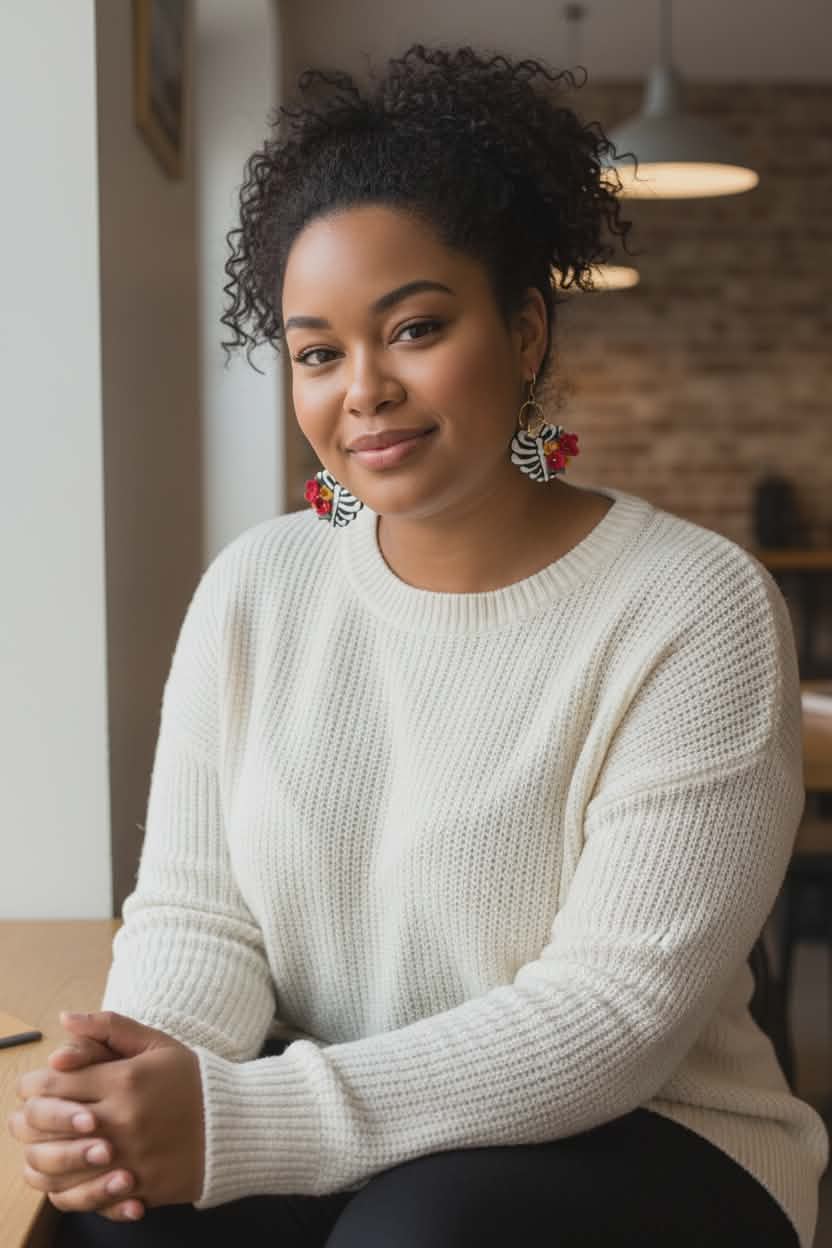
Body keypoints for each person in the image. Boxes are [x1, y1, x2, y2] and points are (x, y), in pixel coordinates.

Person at [12, 43, 828, 1248]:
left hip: (647, 1127)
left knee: (423, 1236)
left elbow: (613, 1013)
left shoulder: (694, 607)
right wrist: (134, 1086)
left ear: (527, 331)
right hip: (333, 1098)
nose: (364, 390)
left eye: (415, 328)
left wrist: (247, 1119)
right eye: (317, 352)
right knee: (115, 1220)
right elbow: (199, 919)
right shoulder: (255, 587)